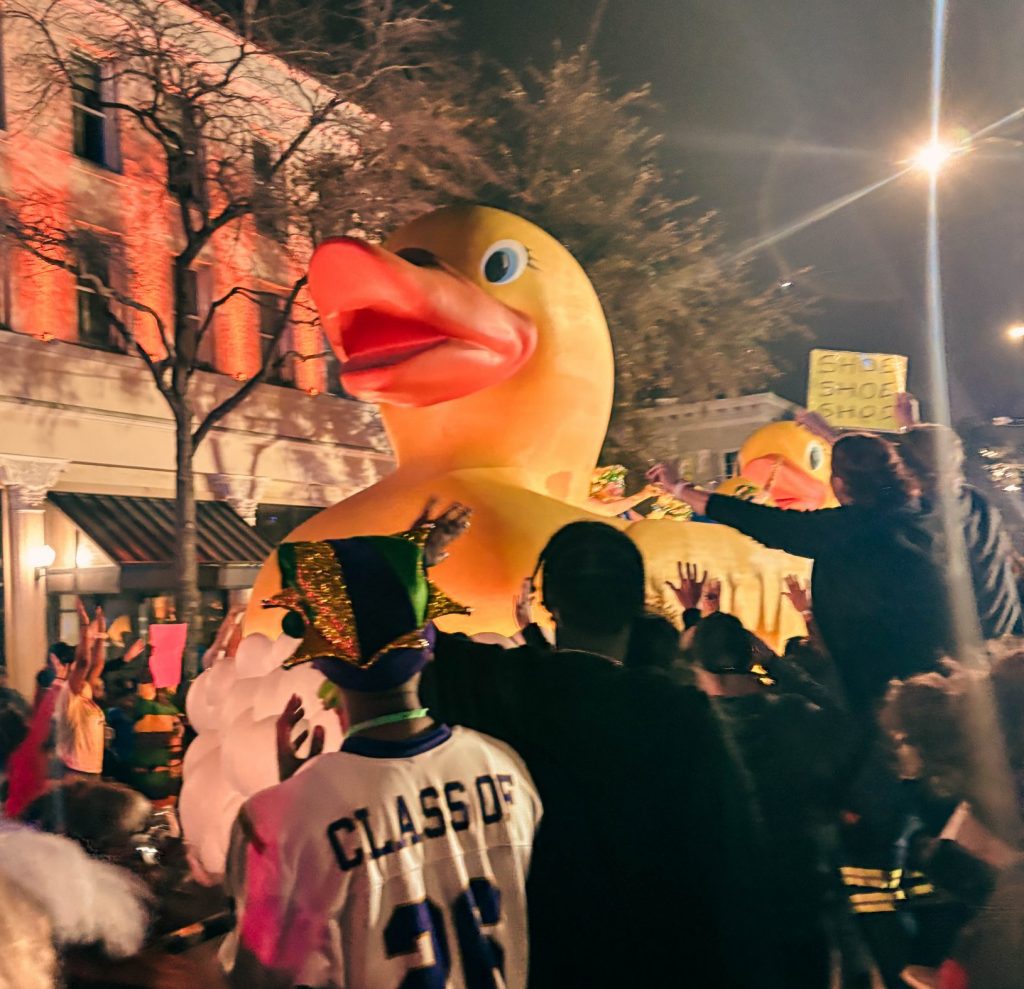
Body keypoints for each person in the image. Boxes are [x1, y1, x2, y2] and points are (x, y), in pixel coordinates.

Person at [421, 519, 781, 989]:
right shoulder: (678, 713)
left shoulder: (494, 685)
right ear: (636, 605)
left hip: (532, 960)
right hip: (658, 960)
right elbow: (734, 867)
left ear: (548, 603)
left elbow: (373, 619)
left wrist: (419, 559)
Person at [223, 507, 541, 989]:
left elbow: (258, 978)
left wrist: (296, 797)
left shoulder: (278, 821)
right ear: (429, 645)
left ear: (321, 662)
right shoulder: (504, 767)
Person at [651, 432, 952, 717]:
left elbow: (764, 522)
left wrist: (679, 489)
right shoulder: (926, 512)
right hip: (937, 668)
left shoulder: (848, 531)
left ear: (840, 484)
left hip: (879, 684)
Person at [689, 612, 846, 988]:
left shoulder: (691, 730)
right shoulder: (795, 714)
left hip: (731, 910)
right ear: (752, 656)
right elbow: (840, 718)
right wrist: (778, 666)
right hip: (801, 899)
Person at [896, 422, 1023, 639]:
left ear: (907, 470)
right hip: (1007, 635)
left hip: (969, 651)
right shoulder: (975, 501)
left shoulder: (914, 518)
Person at [55, 603, 109, 779]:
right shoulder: (69, 692)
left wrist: (101, 633)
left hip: (92, 769)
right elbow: (85, 661)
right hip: (76, 771)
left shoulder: (85, 690)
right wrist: (85, 625)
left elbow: (97, 663)